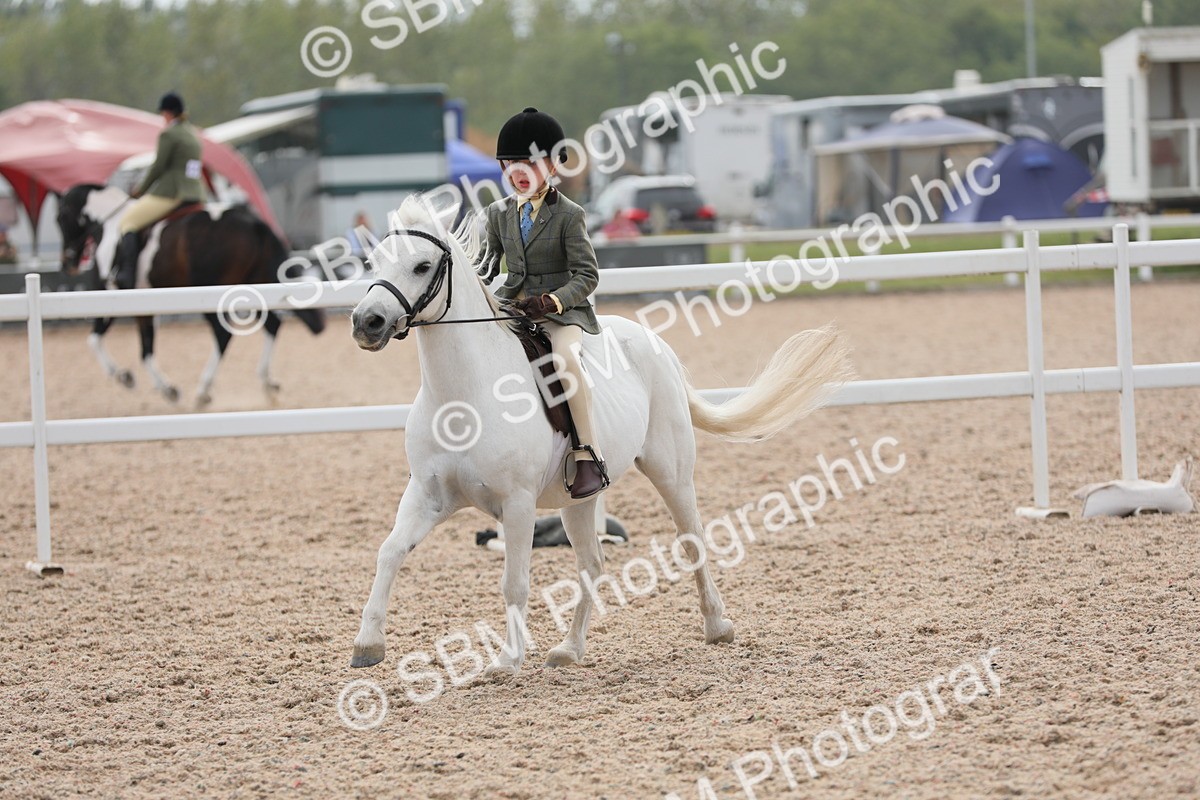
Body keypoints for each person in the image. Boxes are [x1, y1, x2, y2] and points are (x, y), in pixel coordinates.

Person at [483, 107, 608, 499]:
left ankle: (587, 453)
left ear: (553, 166)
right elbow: (485, 267)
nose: (520, 171)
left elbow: (587, 275)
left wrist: (552, 301)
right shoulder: (497, 214)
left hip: (560, 315)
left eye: (531, 163)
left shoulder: (569, 215)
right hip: (513, 309)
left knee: (565, 360)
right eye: (512, 163)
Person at [114, 92, 205, 289]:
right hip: (196, 193)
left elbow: (158, 167)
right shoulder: (193, 133)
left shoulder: (169, 134)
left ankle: (127, 274)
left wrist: (140, 190)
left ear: (167, 113)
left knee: (128, 222)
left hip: (173, 193)